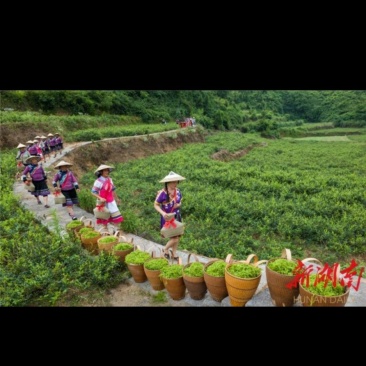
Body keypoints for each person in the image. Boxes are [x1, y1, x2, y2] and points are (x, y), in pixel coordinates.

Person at [154, 171, 185, 261]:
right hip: (168, 218)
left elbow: (180, 202)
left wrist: (178, 205)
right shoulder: (162, 193)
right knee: (173, 238)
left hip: (177, 216)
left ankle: (174, 252)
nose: (176, 184)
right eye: (174, 182)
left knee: (177, 236)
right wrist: (163, 213)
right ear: (168, 182)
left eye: (177, 181)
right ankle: (165, 249)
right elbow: (156, 205)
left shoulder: (178, 191)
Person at [91, 164, 123, 232]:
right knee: (104, 219)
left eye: (107, 170)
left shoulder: (110, 180)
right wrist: (100, 198)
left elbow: (113, 190)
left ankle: (117, 232)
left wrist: (117, 199)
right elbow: (93, 192)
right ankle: (106, 233)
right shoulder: (98, 181)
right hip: (103, 203)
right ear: (101, 172)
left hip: (111, 201)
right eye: (105, 170)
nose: (107, 172)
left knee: (116, 217)